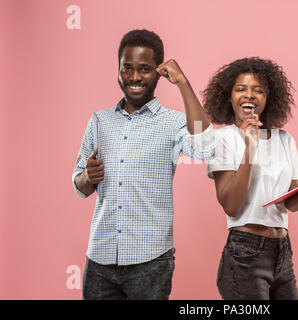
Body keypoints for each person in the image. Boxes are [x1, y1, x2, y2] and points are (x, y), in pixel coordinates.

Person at [72, 29, 215, 300]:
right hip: (100, 261)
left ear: (158, 72)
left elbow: (205, 148)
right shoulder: (99, 121)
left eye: (145, 69)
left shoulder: (173, 123)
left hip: (150, 262)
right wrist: (87, 177)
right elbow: (80, 186)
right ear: (118, 70)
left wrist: (183, 83)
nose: (134, 77)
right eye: (127, 68)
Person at [203, 57, 298, 300]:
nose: (249, 95)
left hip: (282, 252)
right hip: (245, 254)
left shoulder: (285, 140)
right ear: (229, 97)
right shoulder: (222, 139)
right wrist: (249, 147)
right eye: (241, 89)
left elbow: (290, 203)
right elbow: (231, 205)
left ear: (269, 99)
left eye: (258, 90)